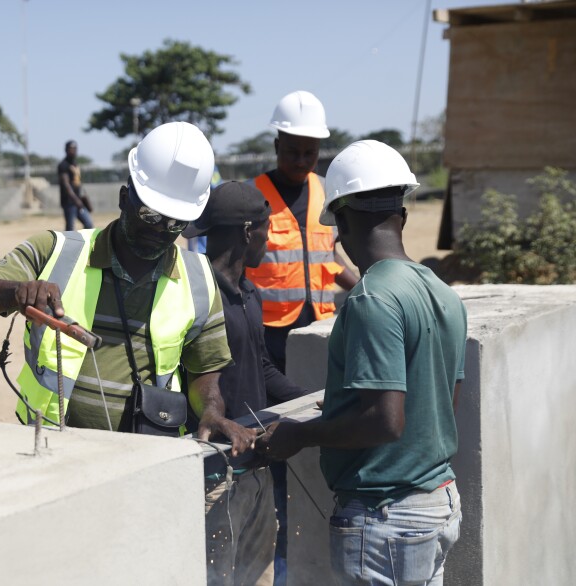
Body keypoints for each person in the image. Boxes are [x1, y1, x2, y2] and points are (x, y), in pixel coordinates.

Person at [0, 122, 254, 455]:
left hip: (144, 453)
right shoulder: (56, 251)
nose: (160, 231)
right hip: (50, 448)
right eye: (150, 215)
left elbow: (205, 367)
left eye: (175, 223)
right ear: (125, 198)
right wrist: (16, 291)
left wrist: (211, 410)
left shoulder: (199, 277)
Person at [256, 141, 467, 586]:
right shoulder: (442, 292)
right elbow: (444, 399)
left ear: (343, 222)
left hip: (387, 517)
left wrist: (300, 434)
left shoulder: (373, 299)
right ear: (403, 217)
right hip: (439, 503)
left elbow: (385, 422)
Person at [183, 181, 310, 586]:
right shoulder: (197, 294)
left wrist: (315, 400)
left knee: (258, 577)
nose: (269, 240)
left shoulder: (249, 294)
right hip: (217, 474)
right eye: (267, 230)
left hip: (256, 464)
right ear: (246, 231)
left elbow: (262, 367)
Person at [245, 90, 358, 375]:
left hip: (320, 324)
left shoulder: (327, 191)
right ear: (276, 145)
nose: (300, 160)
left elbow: (327, 253)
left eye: (310, 153)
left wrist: (362, 290)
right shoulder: (251, 195)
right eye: (292, 152)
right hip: (267, 330)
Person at [58, 140, 94, 231]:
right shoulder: (63, 165)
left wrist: (84, 199)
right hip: (69, 202)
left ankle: (82, 242)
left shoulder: (75, 164)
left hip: (79, 201)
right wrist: (76, 200)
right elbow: (66, 185)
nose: (73, 151)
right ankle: (68, 245)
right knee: (70, 228)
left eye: (75, 149)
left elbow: (79, 183)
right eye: (71, 149)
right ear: (66, 150)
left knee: (88, 224)